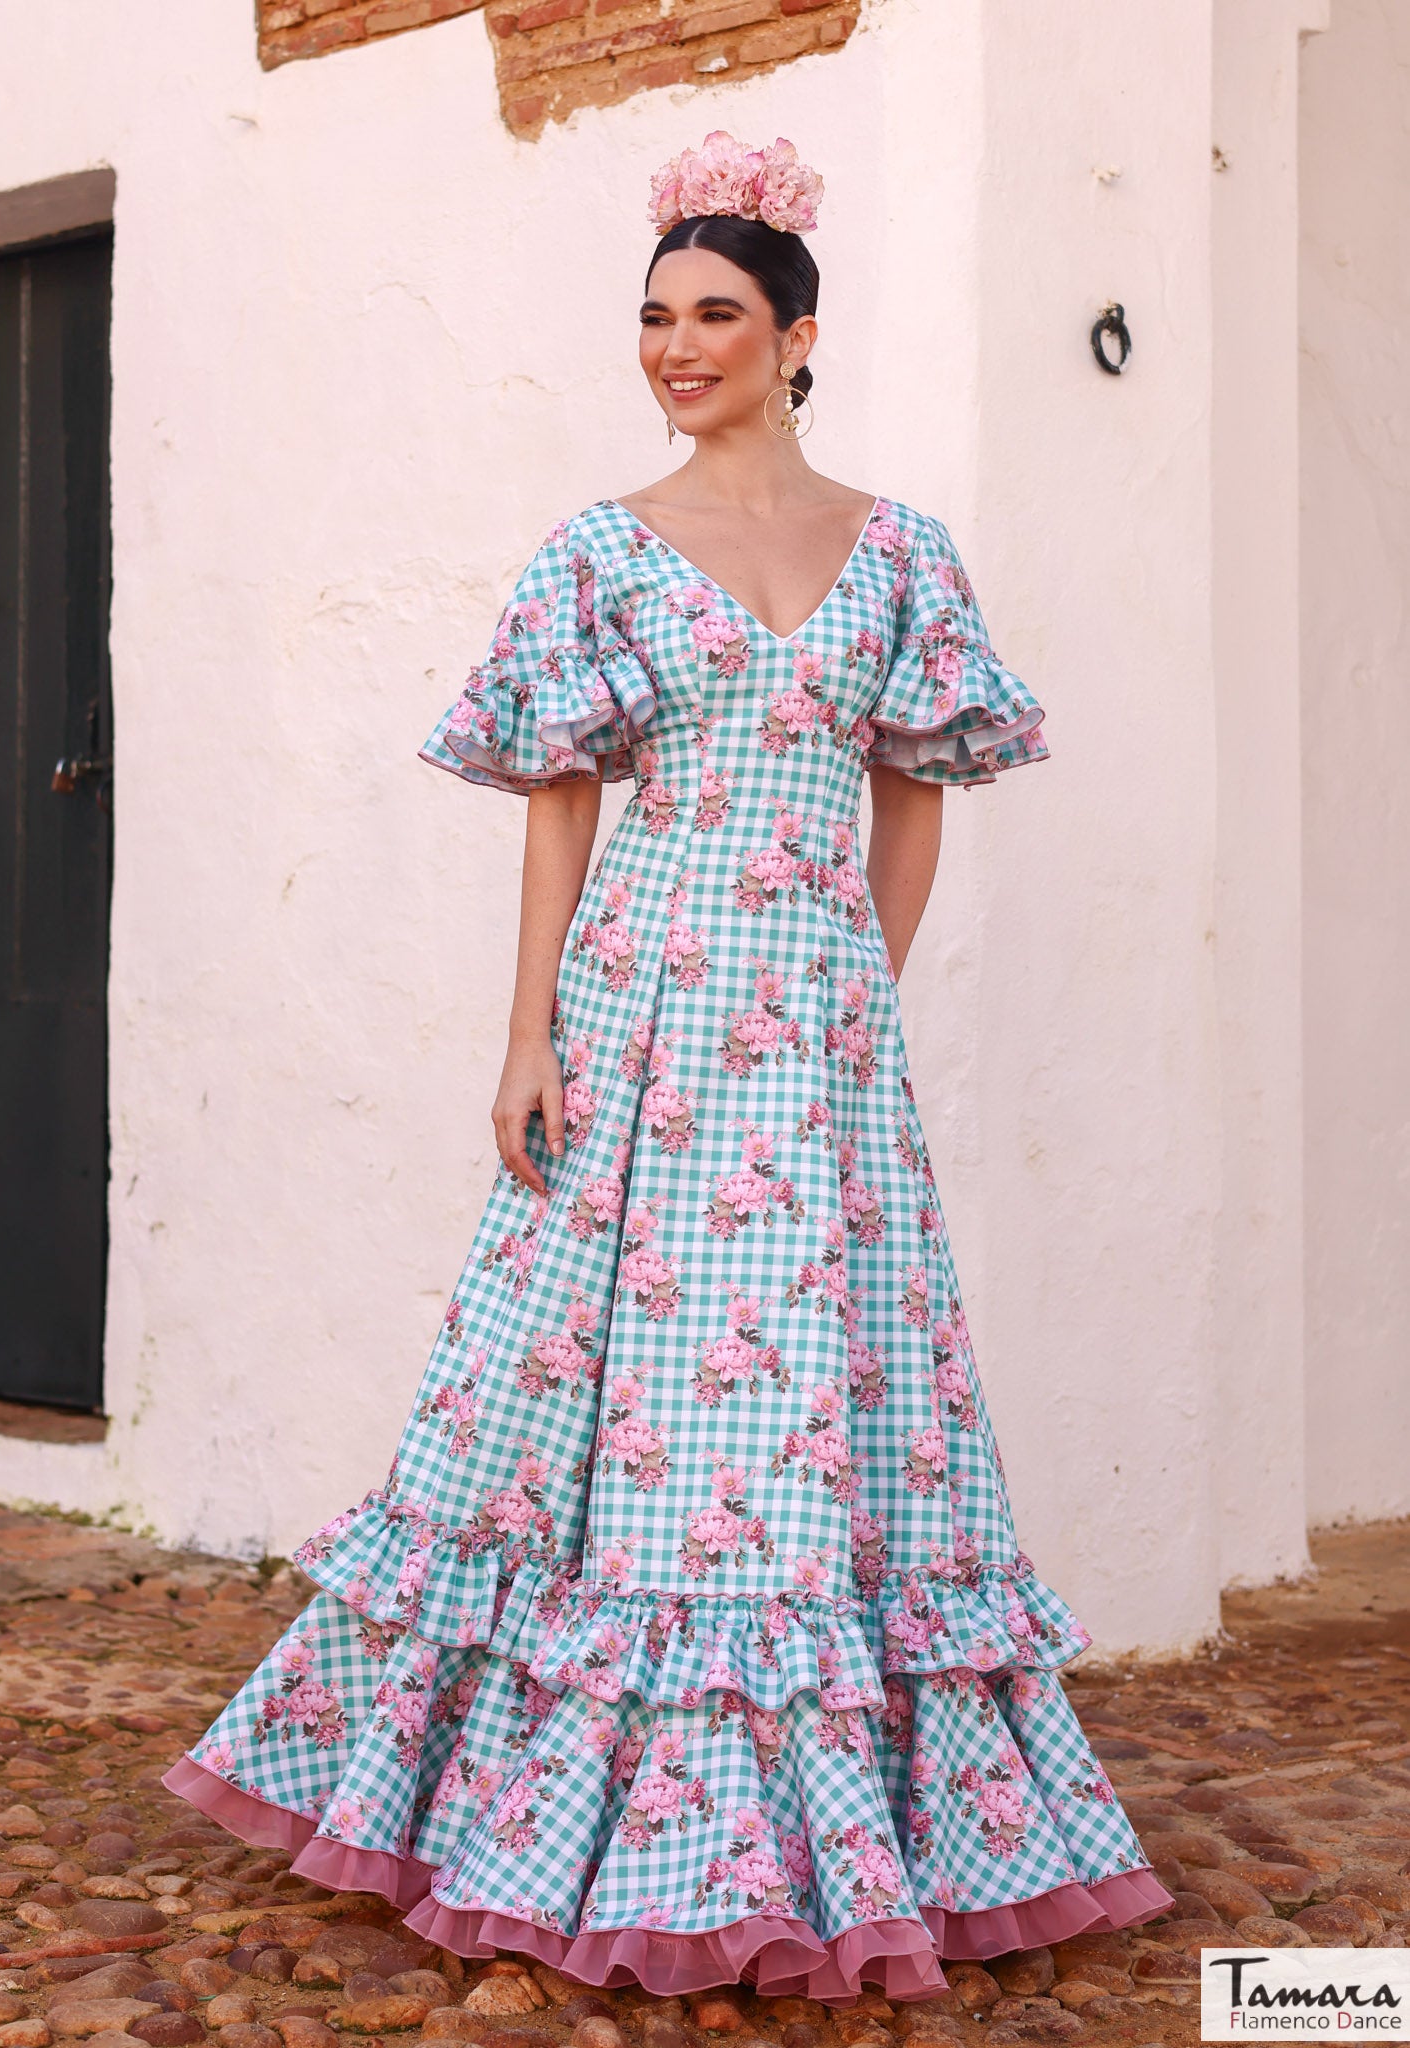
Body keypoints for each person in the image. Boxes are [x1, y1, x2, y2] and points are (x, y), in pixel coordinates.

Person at [164, 132, 1172, 2002]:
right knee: (583, 1397)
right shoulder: (599, 552)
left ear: (798, 333)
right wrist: (529, 1026)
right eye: (652, 318)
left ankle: (833, 1824)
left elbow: (918, 792)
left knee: (834, 1393)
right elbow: (557, 805)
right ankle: (553, 1806)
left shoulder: (904, 555)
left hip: (820, 1050)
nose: (675, 346)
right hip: (636, 1028)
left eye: (714, 314)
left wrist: (854, 993)